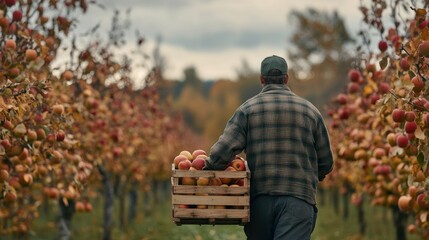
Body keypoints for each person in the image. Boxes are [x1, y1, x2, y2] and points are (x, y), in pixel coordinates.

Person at [204, 55, 334, 240]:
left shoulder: (247, 110)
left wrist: (207, 168)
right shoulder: (310, 112)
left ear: (262, 79)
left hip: (260, 202)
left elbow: (221, 153)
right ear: (286, 79)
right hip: (299, 200)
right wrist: (314, 174)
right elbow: (327, 163)